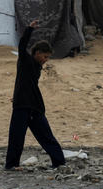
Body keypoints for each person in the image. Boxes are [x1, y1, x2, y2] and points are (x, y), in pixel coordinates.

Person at [5, 20, 66, 170]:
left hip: (34, 106)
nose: (46, 61)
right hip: (22, 106)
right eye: (45, 57)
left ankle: (59, 162)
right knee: (16, 137)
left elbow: (25, 84)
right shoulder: (25, 61)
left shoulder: (37, 67)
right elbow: (22, 45)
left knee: (46, 136)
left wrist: (18, 94)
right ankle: (12, 165)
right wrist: (29, 30)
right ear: (37, 53)